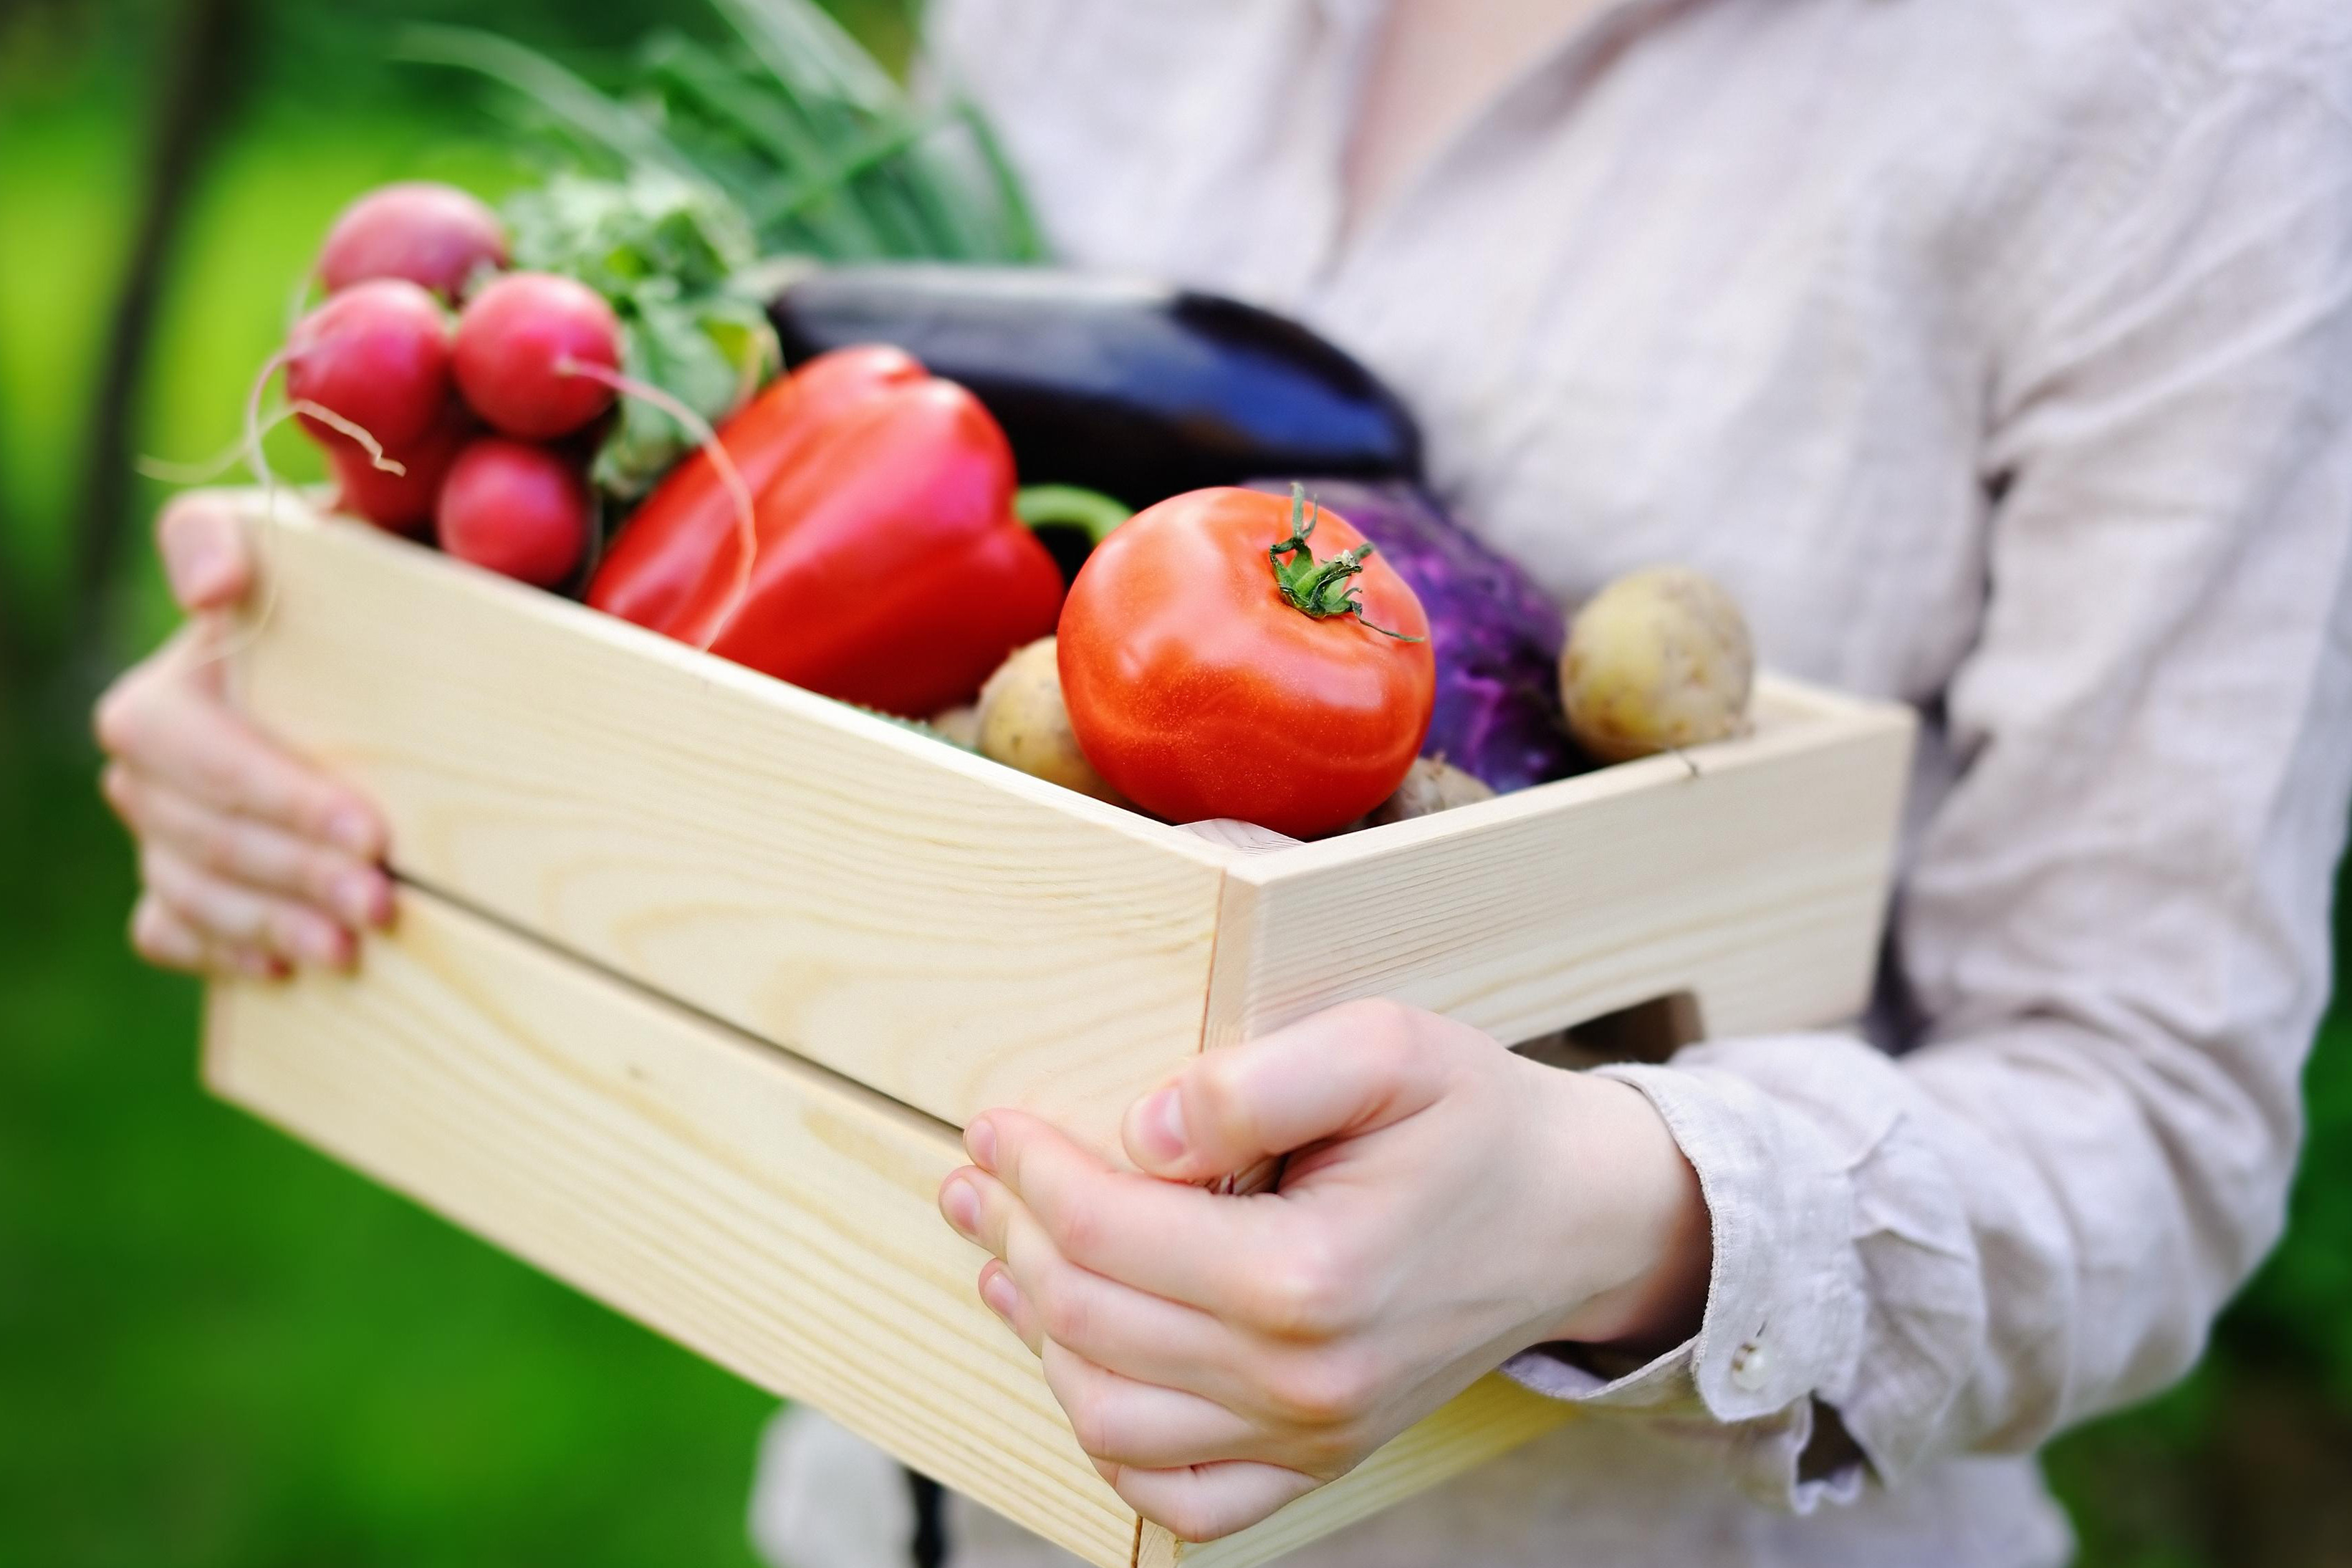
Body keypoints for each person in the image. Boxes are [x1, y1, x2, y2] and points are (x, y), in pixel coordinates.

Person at [95, 0, 2352, 1563]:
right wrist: (363, 715)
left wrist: (1621, 1205)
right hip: (898, 1503)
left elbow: (2150, 1101)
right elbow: (758, 623)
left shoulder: (2200, 90)